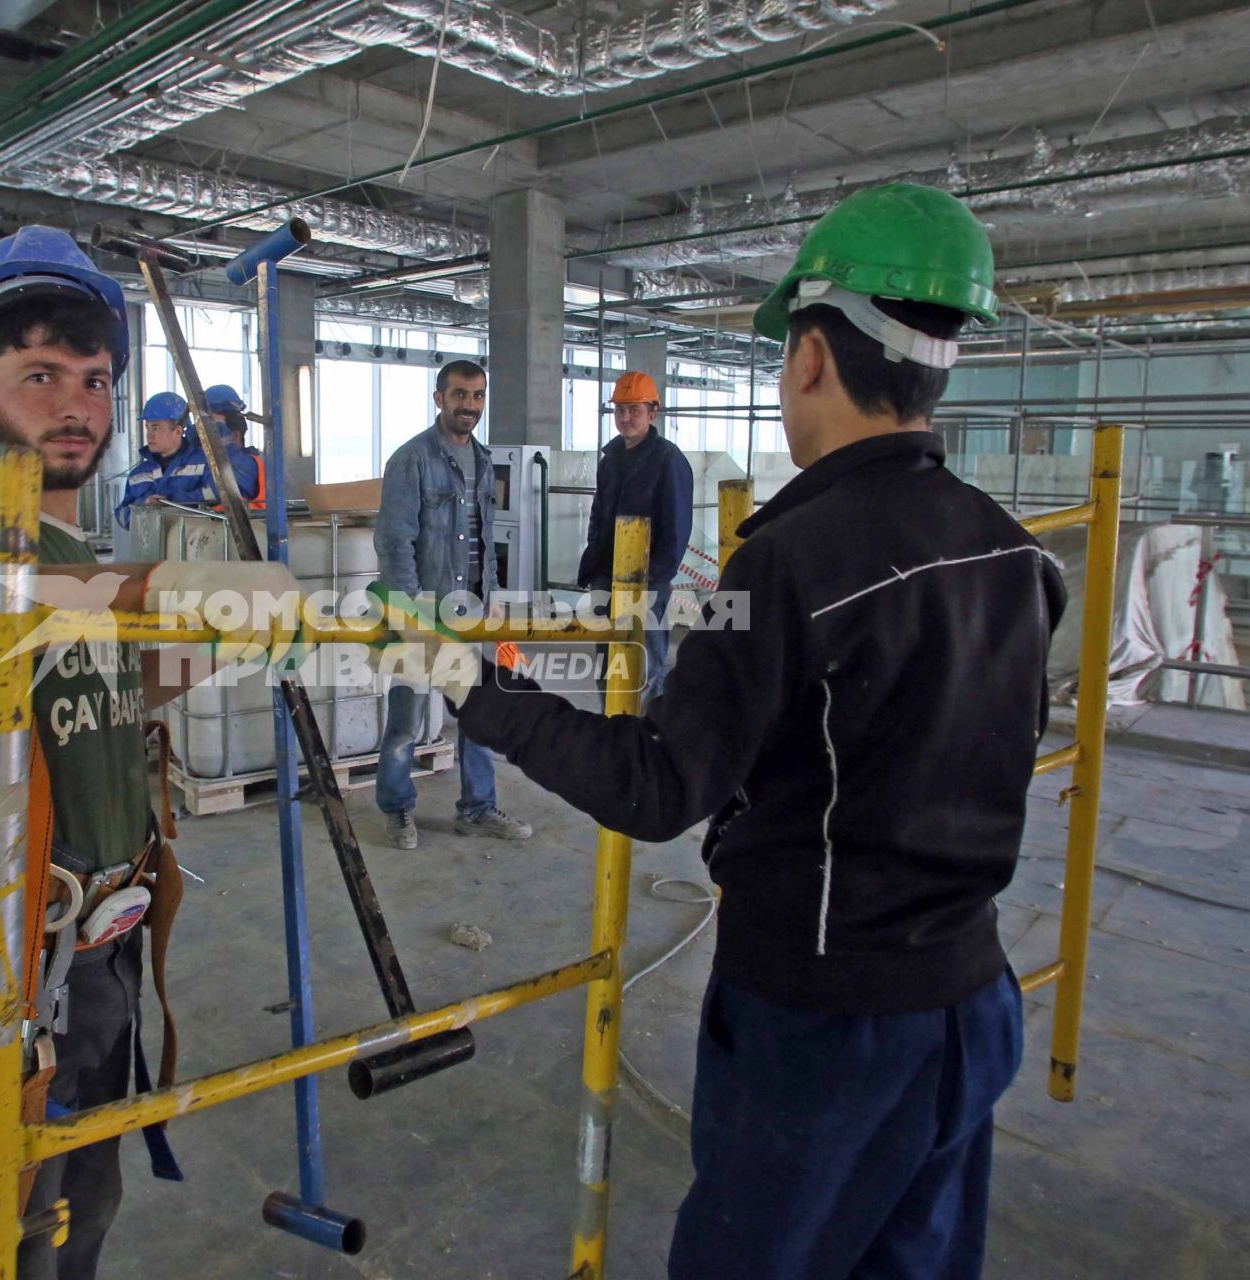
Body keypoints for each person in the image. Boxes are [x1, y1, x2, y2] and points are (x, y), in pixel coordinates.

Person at [398, 185, 1064, 1279]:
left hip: (822, 1019)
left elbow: (661, 783)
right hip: (969, 1002)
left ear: (808, 356)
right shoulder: (1009, 551)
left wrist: (476, 685)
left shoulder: (793, 558)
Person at [0, 225, 294, 1279]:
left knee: (80, 1208)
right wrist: (148, 593)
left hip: (96, 946)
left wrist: (215, 632)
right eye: (38, 372)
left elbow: (120, 685)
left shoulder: (86, 552)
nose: (76, 399)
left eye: (94, 377)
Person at [372, 359, 532, 851]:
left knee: (477, 714)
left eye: (478, 395)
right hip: (421, 610)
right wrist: (412, 615)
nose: (471, 405)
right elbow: (394, 542)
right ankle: (398, 810)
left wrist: (495, 602)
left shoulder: (484, 462)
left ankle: (477, 809)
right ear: (439, 398)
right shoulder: (411, 460)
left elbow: (486, 539)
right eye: (461, 395)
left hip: (472, 611)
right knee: (406, 721)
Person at [576, 370, 693, 705]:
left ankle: (646, 744)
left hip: (646, 583)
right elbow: (599, 514)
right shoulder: (611, 459)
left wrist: (652, 581)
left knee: (643, 667)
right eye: (620, 410)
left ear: (652, 413)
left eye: (634, 410)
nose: (626, 418)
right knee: (607, 667)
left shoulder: (668, 460)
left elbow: (676, 529)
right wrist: (593, 565)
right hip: (605, 576)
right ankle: (613, 734)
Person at [113, 391, 212, 528]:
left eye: (156, 428)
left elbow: (217, 499)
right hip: (150, 547)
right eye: (148, 428)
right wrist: (144, 505)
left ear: (178, 431)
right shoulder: (137, 474)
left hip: (194, 545)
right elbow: (122, 517)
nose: (150, 435)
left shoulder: (205, 462)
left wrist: (170, 501)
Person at [203, 383, 265, 509]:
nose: (204, 435)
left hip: (248, 527)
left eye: (214, 429)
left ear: (235, 435)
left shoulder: (244, 464)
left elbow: (213, 492)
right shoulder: (203, 459)